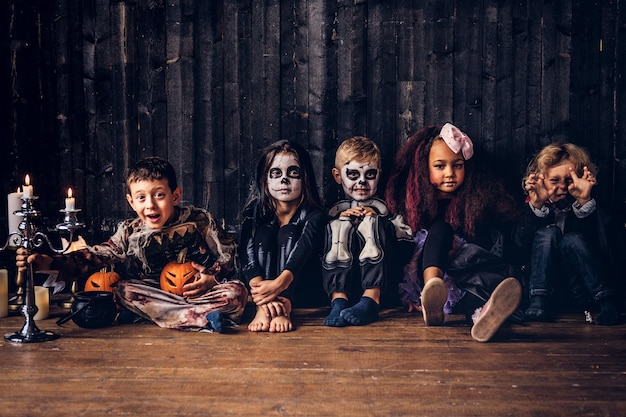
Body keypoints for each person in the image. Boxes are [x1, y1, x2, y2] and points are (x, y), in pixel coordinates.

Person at [16, 157, 248, 332]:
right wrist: (51, 262)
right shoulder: (129, 231)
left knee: (236, 292)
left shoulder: (199, 220)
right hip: (156, 294)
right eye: (141, 198)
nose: (150, 205)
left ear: (175, 195)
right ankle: (204, 319)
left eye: (159, 195)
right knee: (123, 289)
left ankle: (155, 316)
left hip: (200, 292)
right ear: (131, 202)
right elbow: (98, 255)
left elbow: (229, 252)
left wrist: (212, 277)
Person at [385, 123, 523, 342]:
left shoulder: (476, 203)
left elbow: (487, 245)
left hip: (463, 276)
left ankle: (481, 318)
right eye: (440, 166)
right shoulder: (411, 205)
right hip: (424, 276)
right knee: (440, 229)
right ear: (423, 168)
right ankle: (432, 290)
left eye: (457, 165)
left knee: (471, 293)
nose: (450, 173)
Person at [515, 142, 622, 325]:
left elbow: (606, 248)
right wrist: (537, 207)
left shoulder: (595, 207)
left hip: (582, 291)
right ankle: (538, 300)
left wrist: (585, 201)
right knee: (549, 233)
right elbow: (517, 247)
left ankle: (607, 301)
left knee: (572, 239)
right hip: (544, 291)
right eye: (555, 180)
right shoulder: (529, 206)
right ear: (541, 180)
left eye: (570, 179)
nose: (563, 186)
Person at [323, 136, 413, 327]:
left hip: (382, 282)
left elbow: (406, 240)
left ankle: (371, 299)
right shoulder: (333, 212)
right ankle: (338, 299)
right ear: (338, 176)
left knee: (374, 222)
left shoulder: (387, 209)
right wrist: (342, 219)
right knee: (337, 226)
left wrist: (379, 221)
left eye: (370, 174)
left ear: (379, 174)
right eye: (353, 175)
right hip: (348, 280)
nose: (362, 182)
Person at [239, 140, 327, 333]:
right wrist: (262, 294)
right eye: (276, 174)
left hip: (301, 288)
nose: (284, 180)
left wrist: (280, 287)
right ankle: (266, 308)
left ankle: (284, 305)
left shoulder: (316, 215)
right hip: (261, 291)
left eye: (293, 173)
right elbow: (247, 253)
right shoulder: (253, 213)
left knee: (289, 232)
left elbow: (303, 250)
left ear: (305, 178)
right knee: (264, 232)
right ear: (265, 179)